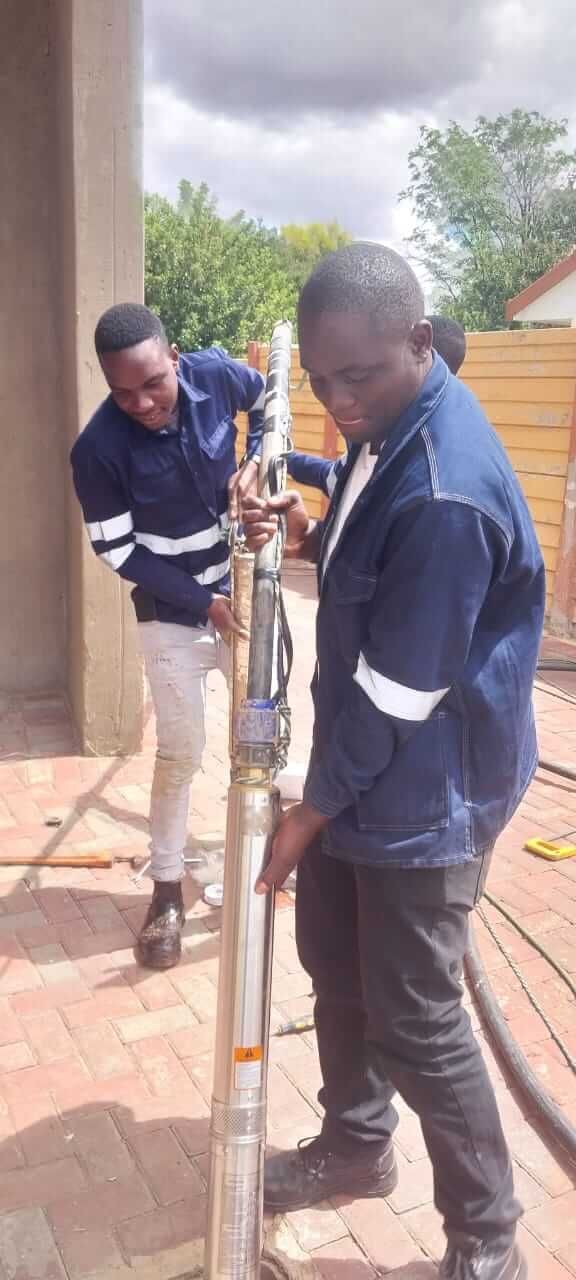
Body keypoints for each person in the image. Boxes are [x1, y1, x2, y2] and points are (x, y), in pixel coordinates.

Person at [242, 243, 544, 1280]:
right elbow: (367, 482)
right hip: (368, 773)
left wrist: (308, 812)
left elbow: (397, 694)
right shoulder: (387, 421)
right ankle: (357, 1145)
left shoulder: (447, 494)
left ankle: (486, 1237)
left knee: (418, 1014)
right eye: (321, 379)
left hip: (430, 788)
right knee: (338, 968)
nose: (337, 399)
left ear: (419, 340)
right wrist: (305, 497)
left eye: (356, 375)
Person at [71, 303, 264, 970]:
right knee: (182, 753)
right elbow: (119, 553)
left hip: (245, 596)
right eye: (122, 391)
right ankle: (166, 892)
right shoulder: (96, 450)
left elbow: (269, 401)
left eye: (153, 382)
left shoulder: (217, 377)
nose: (142, 403)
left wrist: (259, 460)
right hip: (172, 615)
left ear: (175, 356)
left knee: (264, 733)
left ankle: (261, 865)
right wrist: (203, 603)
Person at [287, 312, 467, 497]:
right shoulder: (448, 425)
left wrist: (287, 460)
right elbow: (342, 478)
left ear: (421, 348)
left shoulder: (429, 479)